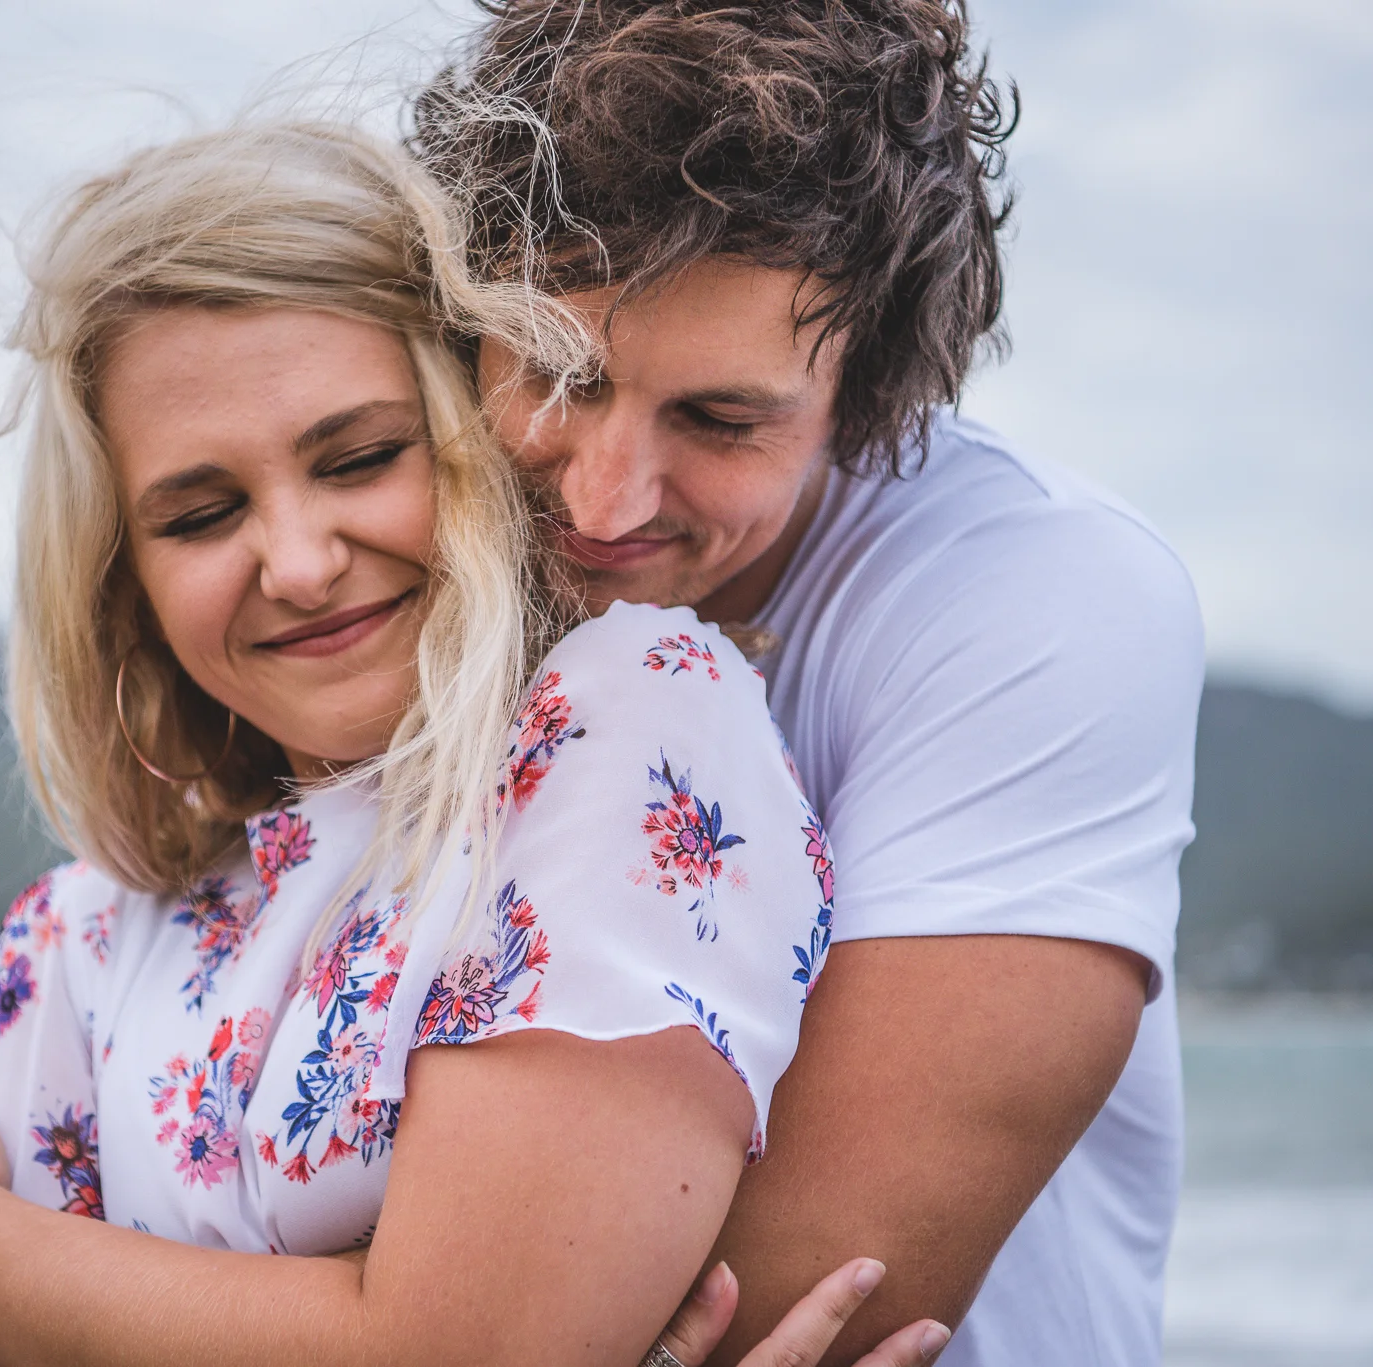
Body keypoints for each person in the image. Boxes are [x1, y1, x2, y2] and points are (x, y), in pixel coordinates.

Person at [0, 123, 951, 1367]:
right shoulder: (79, 930)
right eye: (200, 514)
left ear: (479, 430)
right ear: (121, 581)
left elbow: (451, 1351)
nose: (300, 563)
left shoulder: (624, 727)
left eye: (359, 457)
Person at [410, 2, 1205, 1364]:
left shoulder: (1039, 594)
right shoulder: (385, 558)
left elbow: (810, 1303)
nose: (605, 496)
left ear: (870, 393)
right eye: (556, 369)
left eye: (721, 419)